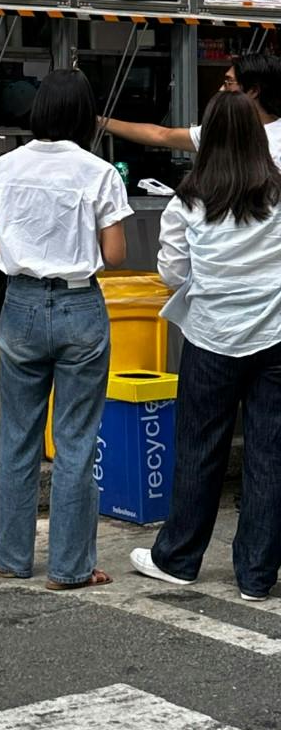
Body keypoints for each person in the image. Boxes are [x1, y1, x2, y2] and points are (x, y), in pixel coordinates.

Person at [0, 69, 131, 588]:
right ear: (86, 117)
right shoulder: (100, 172)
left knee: (18, 438)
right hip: (79, 308)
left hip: (19, 308)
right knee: (76, 442)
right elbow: (114, 254)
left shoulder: (3, 167)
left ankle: (11, 558)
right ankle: (70, 567)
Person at [130, 91, 281, 601]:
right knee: (270, 454)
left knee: (198, 449)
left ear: (209, 138)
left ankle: (178, 559)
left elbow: (172, 273)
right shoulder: (279, 193)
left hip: (211, 338)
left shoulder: (187, 200)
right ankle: (257, 576)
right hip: (276, 336)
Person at [101, 52, 281, 165]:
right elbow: (161, 135)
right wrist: (100, 121)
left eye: (228, 83)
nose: (221, 89)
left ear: (253, 91)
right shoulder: (221, 131)